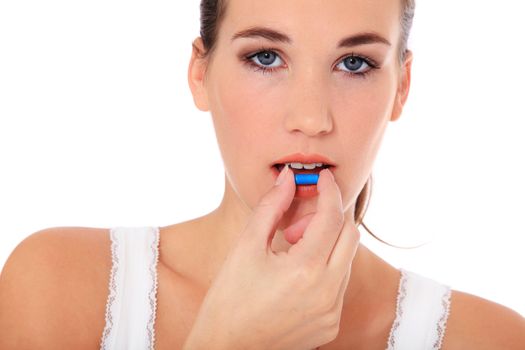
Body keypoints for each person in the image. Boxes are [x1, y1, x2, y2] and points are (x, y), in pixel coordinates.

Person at [1, 0, 524, 349]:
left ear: (402, 87)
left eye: (355, 64)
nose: (311, 120)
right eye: (266, 57)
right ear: (200, 74)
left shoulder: (490, 338)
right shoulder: (57, 284)